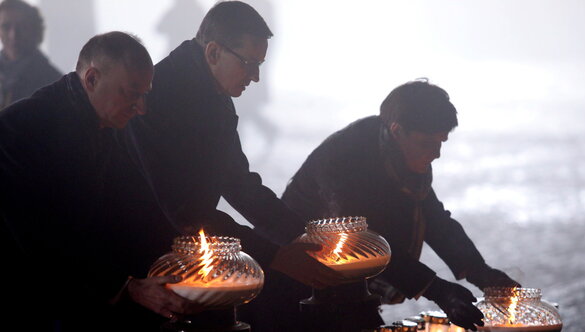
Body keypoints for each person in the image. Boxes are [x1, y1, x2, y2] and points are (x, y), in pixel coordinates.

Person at [117, 0, 342, 296]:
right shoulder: (159, 97)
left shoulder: (215, 97)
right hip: (131, 261)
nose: (256, 77)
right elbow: (184, 210)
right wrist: (273, 255)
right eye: (248, 63)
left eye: (260, 65)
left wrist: (302, 236)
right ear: (213, 52)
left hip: (177, 247)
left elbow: (239, 184)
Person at [279, 79, 522, 331]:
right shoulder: (346, 158)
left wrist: (481, 273)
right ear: (397, 131)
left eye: (440, 142)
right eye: (426, 143)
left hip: (349, 280)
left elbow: (433, 219)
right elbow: (362, 241)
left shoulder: (403, 157)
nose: (435, 153)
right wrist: (435, 288)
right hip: (303, 281)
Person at [0, 31, 200, 331]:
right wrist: (127, 287)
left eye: (145, 94)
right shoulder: (20, 129)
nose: (141, 107)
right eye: (132, 93)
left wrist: (189, 252)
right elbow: (39, 242)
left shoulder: (104, 122)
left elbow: (136, 206)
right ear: (91, 79)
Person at [0, 0, 60, 109]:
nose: (13, 35)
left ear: (34, 30)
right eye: (6, 26)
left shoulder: (53, 82)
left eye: (21, 26)